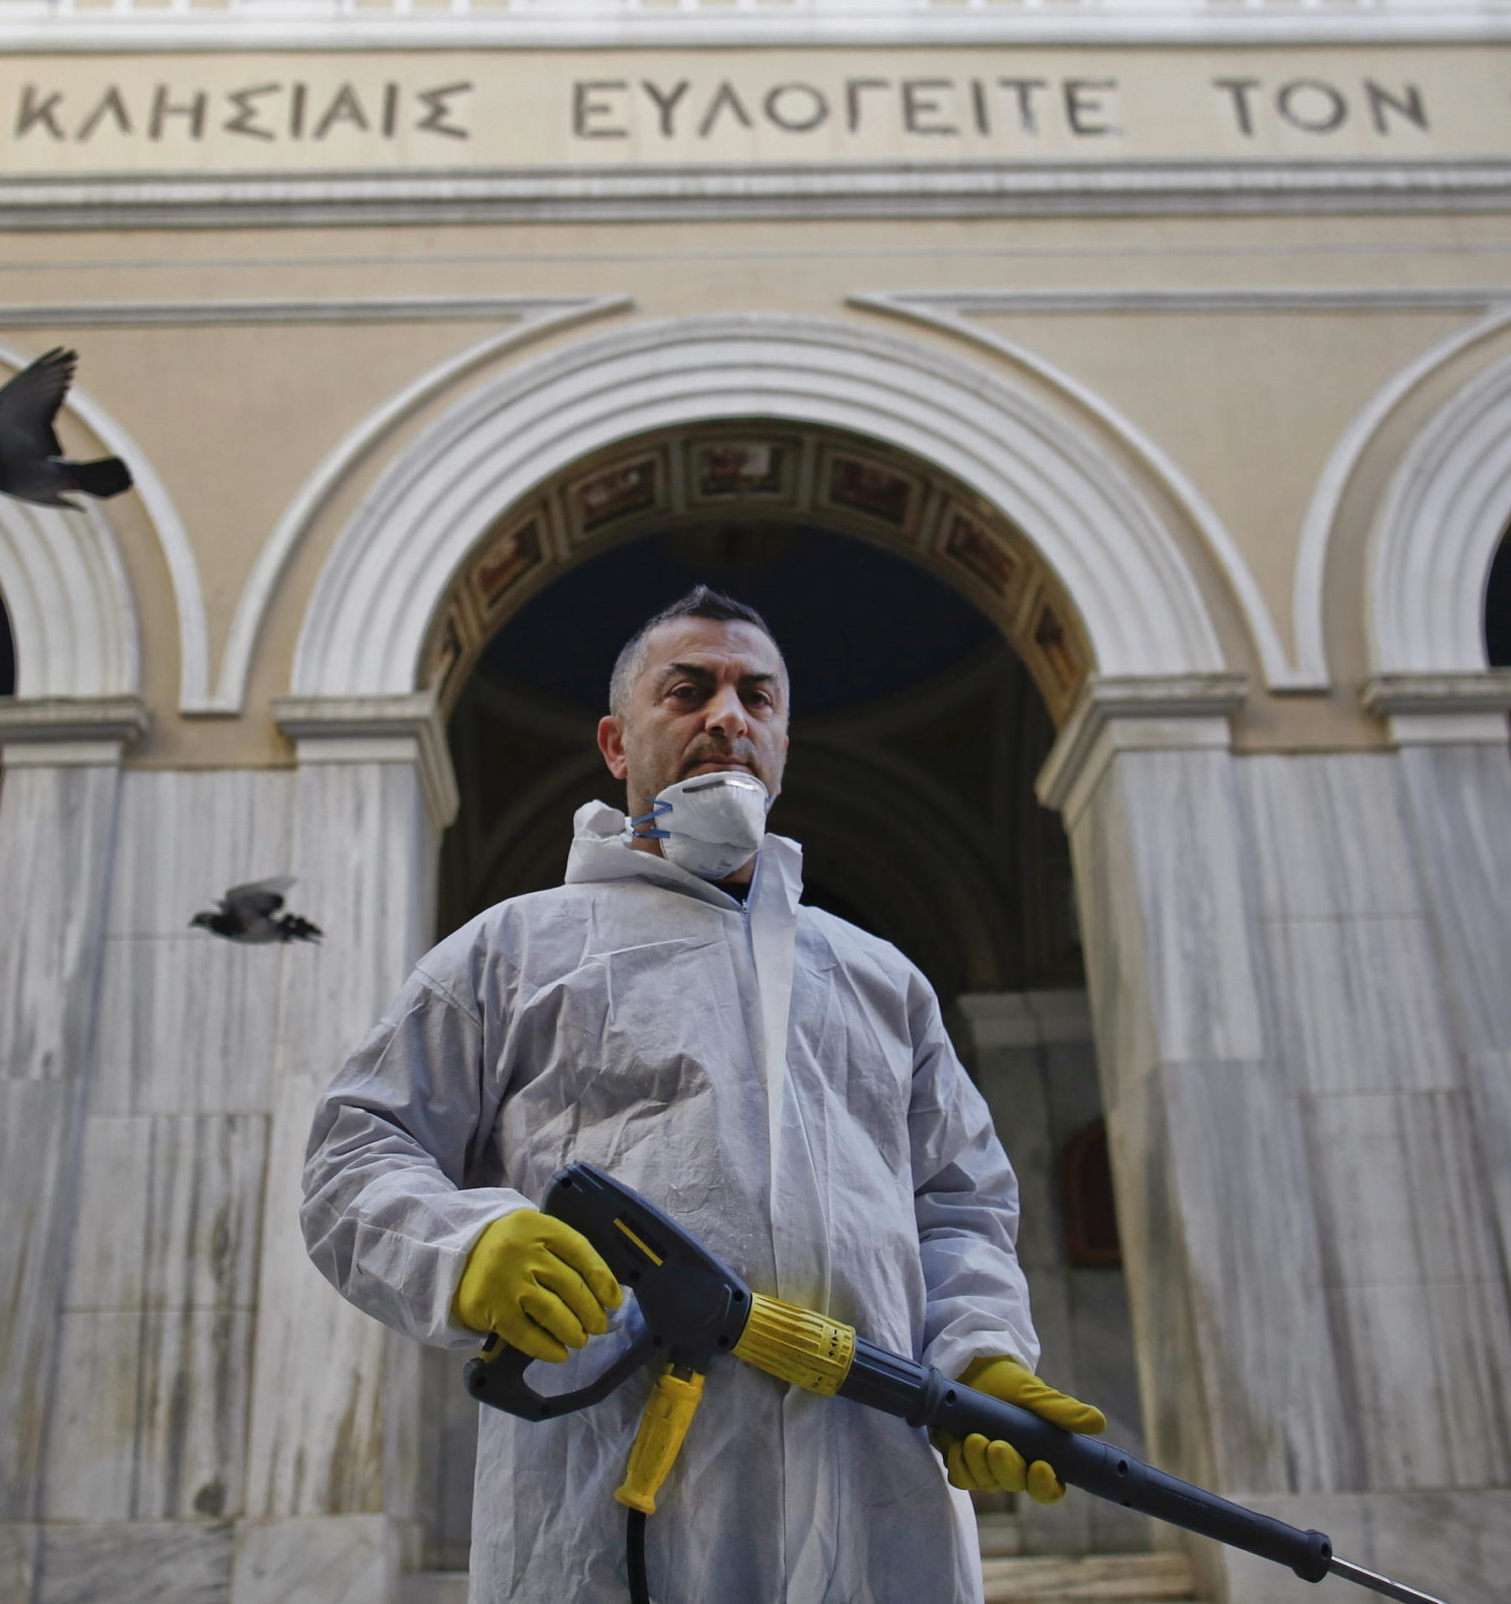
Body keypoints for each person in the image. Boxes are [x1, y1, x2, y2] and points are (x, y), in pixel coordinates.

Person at [300, 585, 1106, 1602]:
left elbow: (958, 1205)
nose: (728, 716)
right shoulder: (514, 950)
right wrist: (462, 1249)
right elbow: (354, 1154)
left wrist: (979, 1355)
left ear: (781, 738)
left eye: (756, 698)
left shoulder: (876, 980)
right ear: (614, 740)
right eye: (688, 692)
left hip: (876, 1502)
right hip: (606, 1503)